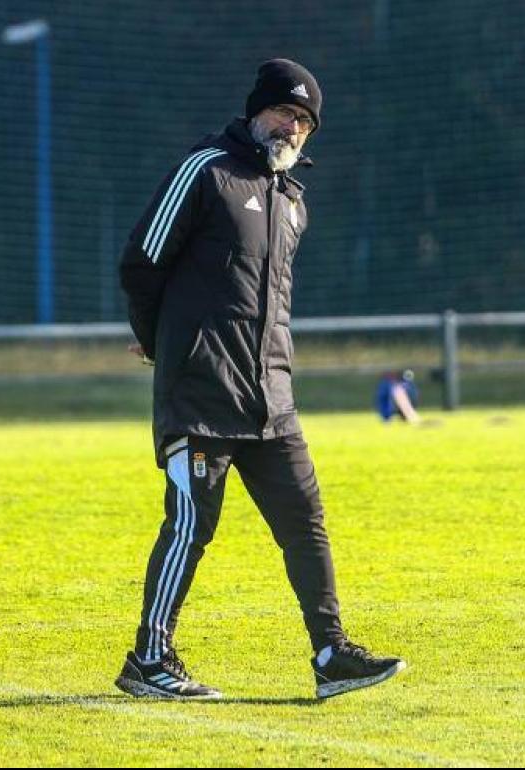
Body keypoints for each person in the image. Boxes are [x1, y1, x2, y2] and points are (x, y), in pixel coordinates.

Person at [116, 58, 405, 700]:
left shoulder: (293, 200)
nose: (294, 127)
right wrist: (159, 339)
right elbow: (142, 261)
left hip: (271, 398)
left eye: (305, 121)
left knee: (306, 522)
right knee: (192, 525)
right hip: (199, 394)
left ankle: (332, 654)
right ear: (256, 111)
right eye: (285, 113)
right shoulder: (207, 170)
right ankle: (150, 660)